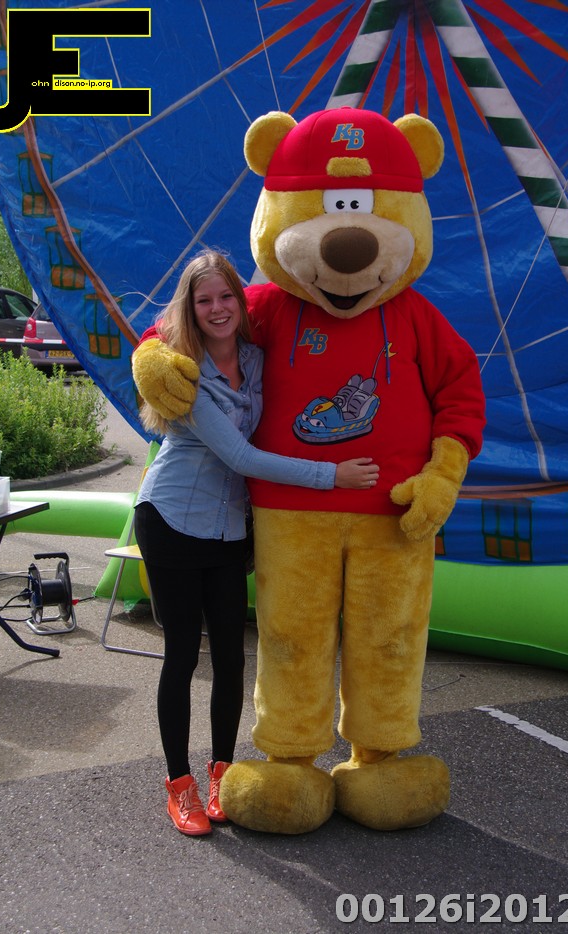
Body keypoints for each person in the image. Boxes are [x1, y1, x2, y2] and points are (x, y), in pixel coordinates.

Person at [134, 249, 379, 837]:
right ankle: (179, 786)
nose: (217, 309)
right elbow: (242, 456)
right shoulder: (185, 372)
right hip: (171, 520)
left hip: (227, 527)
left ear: (241, 303)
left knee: (230, 657)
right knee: (182, 656)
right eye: (204, 300)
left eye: (226, 297)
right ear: (190, 309)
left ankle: (221, 773)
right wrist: (332, 475)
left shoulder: (254, 357)